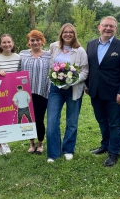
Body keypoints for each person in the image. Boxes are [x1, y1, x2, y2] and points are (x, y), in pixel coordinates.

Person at [85, 16, 120, 167]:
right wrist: (87, 85)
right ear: (99, 27)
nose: (108, 28)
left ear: (115, 29)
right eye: (105, 26)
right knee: (102, 120)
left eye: (111, 26)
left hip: (115, 94)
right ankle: (105, 145)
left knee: (115, 123)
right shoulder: (91, 44)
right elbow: (89, 67)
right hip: (95, 92)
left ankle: (114, 152)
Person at [46, 23, 88, 163]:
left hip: (73, 89)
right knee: (52, 121)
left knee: (72, 121)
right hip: (55, 89)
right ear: (61, 34)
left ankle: (68, 149)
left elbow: (85, 71)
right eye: (65, 32)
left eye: (71, 32)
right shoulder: (54, 47)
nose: (68, 34)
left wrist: (72, 80)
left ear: (74, 34)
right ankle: (53, 153)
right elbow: (49, 65)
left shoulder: (80, 51)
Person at [19, 30, 51, 154]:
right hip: (26, 94)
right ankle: (31, 144)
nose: (35, 42)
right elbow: (16, 71)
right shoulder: (22, 54)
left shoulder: (48, 55)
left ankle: (40, 143)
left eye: (38, 40)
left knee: (39, 119)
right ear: (28, 42)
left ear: (42, 41)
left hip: (42, 93)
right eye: (32, 40)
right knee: (28, 119)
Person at [0, 33, 21, 155]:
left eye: (9, 42)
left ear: (12, 43)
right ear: (0, 45)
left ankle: (5, 142)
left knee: (8, 118)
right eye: (4, 42)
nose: (7, 44)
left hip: (13, 94)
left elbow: (20, 74)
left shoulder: (18, 57)